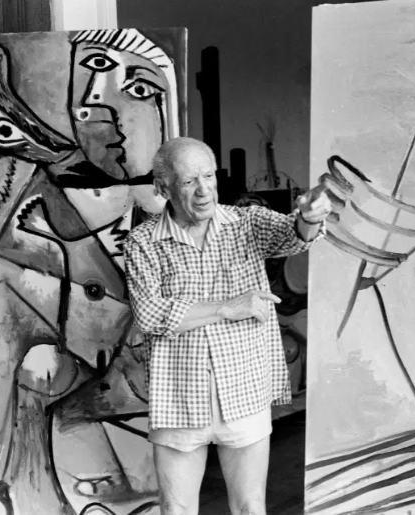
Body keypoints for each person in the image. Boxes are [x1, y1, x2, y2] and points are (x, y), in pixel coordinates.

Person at [123, 137, 330, 515]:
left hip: (244, 390)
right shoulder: (143, 242)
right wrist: (227, 308)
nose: (204, 190)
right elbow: (150, 314)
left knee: (250, 506)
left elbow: (294, 235)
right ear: (163, 188)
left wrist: (310, 218)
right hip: (178, 395)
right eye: (189, 182)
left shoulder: (247, 222)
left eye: (208, 176)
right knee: (175, 508)